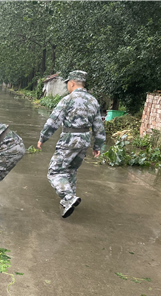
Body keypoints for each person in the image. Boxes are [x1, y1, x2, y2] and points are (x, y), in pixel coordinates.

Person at [37, 70, 106, 218]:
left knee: (54, 171)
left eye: (68, 83)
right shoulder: (93, 101)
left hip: (69, 139)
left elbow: (53, 121)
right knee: (71, 170)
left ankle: (68, 198)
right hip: (84, 140)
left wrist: (43, 138)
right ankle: (71, 200)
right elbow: (98, 126)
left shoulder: (68, 100)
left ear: (72, 82)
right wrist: (97, 145)